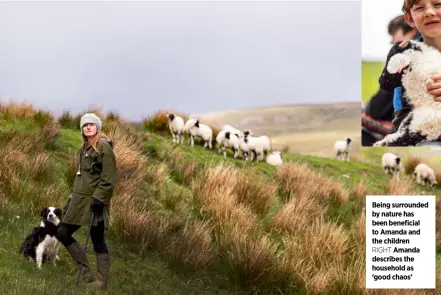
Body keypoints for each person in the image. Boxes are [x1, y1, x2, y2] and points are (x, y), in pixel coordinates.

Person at [56, 113, 117, 290]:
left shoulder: (103, 147)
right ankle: (85, 272)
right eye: (85, 125)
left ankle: (101, 282)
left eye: (91, 124)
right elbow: (81, 177)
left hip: (94, 201)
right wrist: (71, 198)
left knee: (97, 239)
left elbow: (109, 177)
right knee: (62, 232)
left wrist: (100, 198)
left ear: (97, 127)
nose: (88, 127)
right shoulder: (84, 148)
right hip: (78, 200)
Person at [376, 0, 441, 146]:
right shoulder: (406, 51)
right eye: (419, 8)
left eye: (438, 5)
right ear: (409, 19)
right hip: (416, 132)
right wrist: (397, 54)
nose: (430, 12)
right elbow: (386, 83)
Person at [361, 14, 420, 146]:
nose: (392, 40)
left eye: (394, 34)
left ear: (411, 30)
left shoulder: (407, 55)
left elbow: (376, 108)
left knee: (362, 124)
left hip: (406, 127)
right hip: (407, 123)